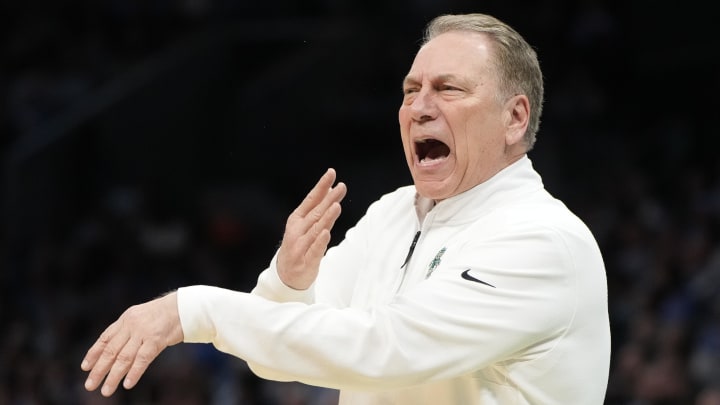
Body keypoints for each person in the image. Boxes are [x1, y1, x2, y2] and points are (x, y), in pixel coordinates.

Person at [81, 13, 611, 404]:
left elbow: (385, 348)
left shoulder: (542, 241)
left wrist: (191, 309)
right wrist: (289, 283)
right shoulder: (395, 213)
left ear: (515, 118)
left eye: (448, 89)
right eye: (411, 90)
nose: (420, 107)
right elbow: (278, 357)